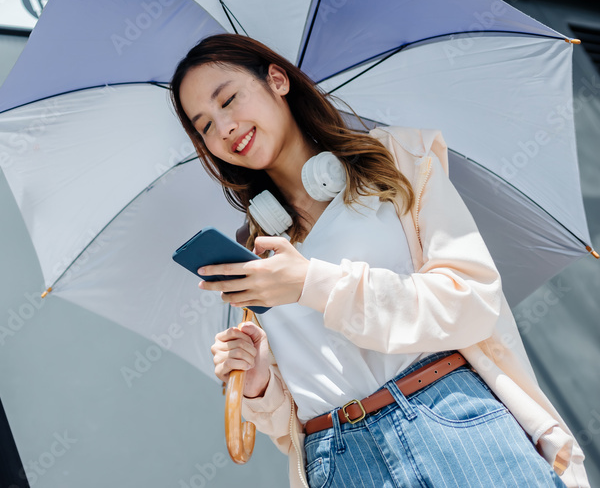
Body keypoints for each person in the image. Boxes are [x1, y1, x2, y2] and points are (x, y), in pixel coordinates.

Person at [170, 33, 590, 488]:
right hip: (336, 459)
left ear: (277, 79)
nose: (225, 127)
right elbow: (286, 427)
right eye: (205, 126)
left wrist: (314, 283)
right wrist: (258, 382)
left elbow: (471, 302)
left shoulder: (394, 161)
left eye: (229, 99)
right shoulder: (253, 247)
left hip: (447, 420)